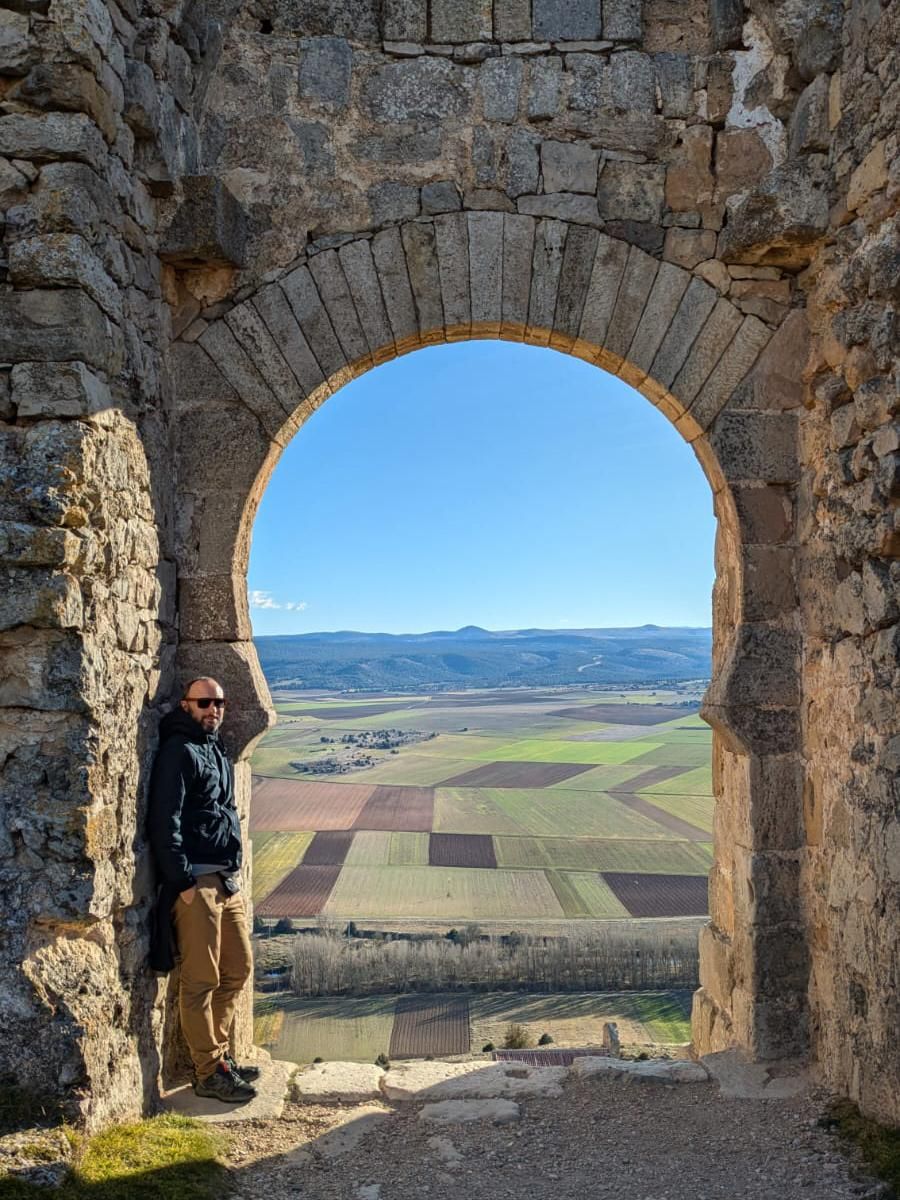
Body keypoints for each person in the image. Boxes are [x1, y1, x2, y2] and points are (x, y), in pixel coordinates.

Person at [147, 676, 259, 1103]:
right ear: (186, 705)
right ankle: (207, 1071)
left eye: (220, 703)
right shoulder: (179, 751)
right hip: (197, 884)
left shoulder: (213, 748)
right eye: (205, 702)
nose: (214, 709)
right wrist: (184, 883)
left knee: (238, 969)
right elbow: (165, 819)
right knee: (200, 980)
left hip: (225, 883)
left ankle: (220, 1057)